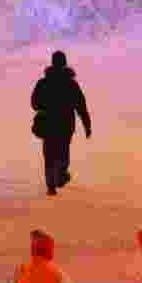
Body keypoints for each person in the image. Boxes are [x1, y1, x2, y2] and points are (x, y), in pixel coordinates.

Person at [30, 51, 92, 194]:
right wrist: (87, 126)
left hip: (49, 124)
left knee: (49, 154)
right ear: (64, 63)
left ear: (53, 62)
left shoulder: (44, 83)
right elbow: (81, 106)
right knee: (63, 152)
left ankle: (51, 185)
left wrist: (45, 106)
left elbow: (34, 103)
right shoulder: (71, 84)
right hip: (65, 125)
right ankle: (59, 176)